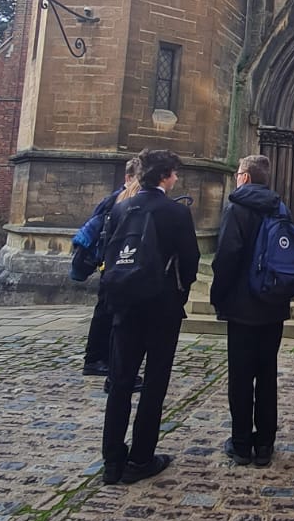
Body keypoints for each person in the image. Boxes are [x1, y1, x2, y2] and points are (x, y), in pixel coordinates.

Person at [100, 149, 201, 485]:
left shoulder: (120, 207)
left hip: (124, 305)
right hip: (161, 306)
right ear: (164, 176)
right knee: (154, 384)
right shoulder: (175, 213)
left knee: (120, 382)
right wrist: (179, 294)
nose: (175, 179)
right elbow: (190, 262)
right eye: (173, 174)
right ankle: (141, 458)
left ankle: (112, 460)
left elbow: (109, 253)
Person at [210, 154, 294, 468]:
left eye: (237, 172)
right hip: (273, 305)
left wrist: (218, 296)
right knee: (267, 374)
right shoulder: (280, 207)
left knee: (240, 376)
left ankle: (242, 443)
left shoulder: (236, 209)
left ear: (245, 177)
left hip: (241, 306)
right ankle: (265, 444)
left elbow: (227, 257)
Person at [76, 159, 140, 379]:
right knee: (105, 313)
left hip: (114, 264)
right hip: (111, 265)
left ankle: (101, 358)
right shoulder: (117, 200)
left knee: (107, 312)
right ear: (129, 177)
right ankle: (95, 359)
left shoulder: (119, 199)